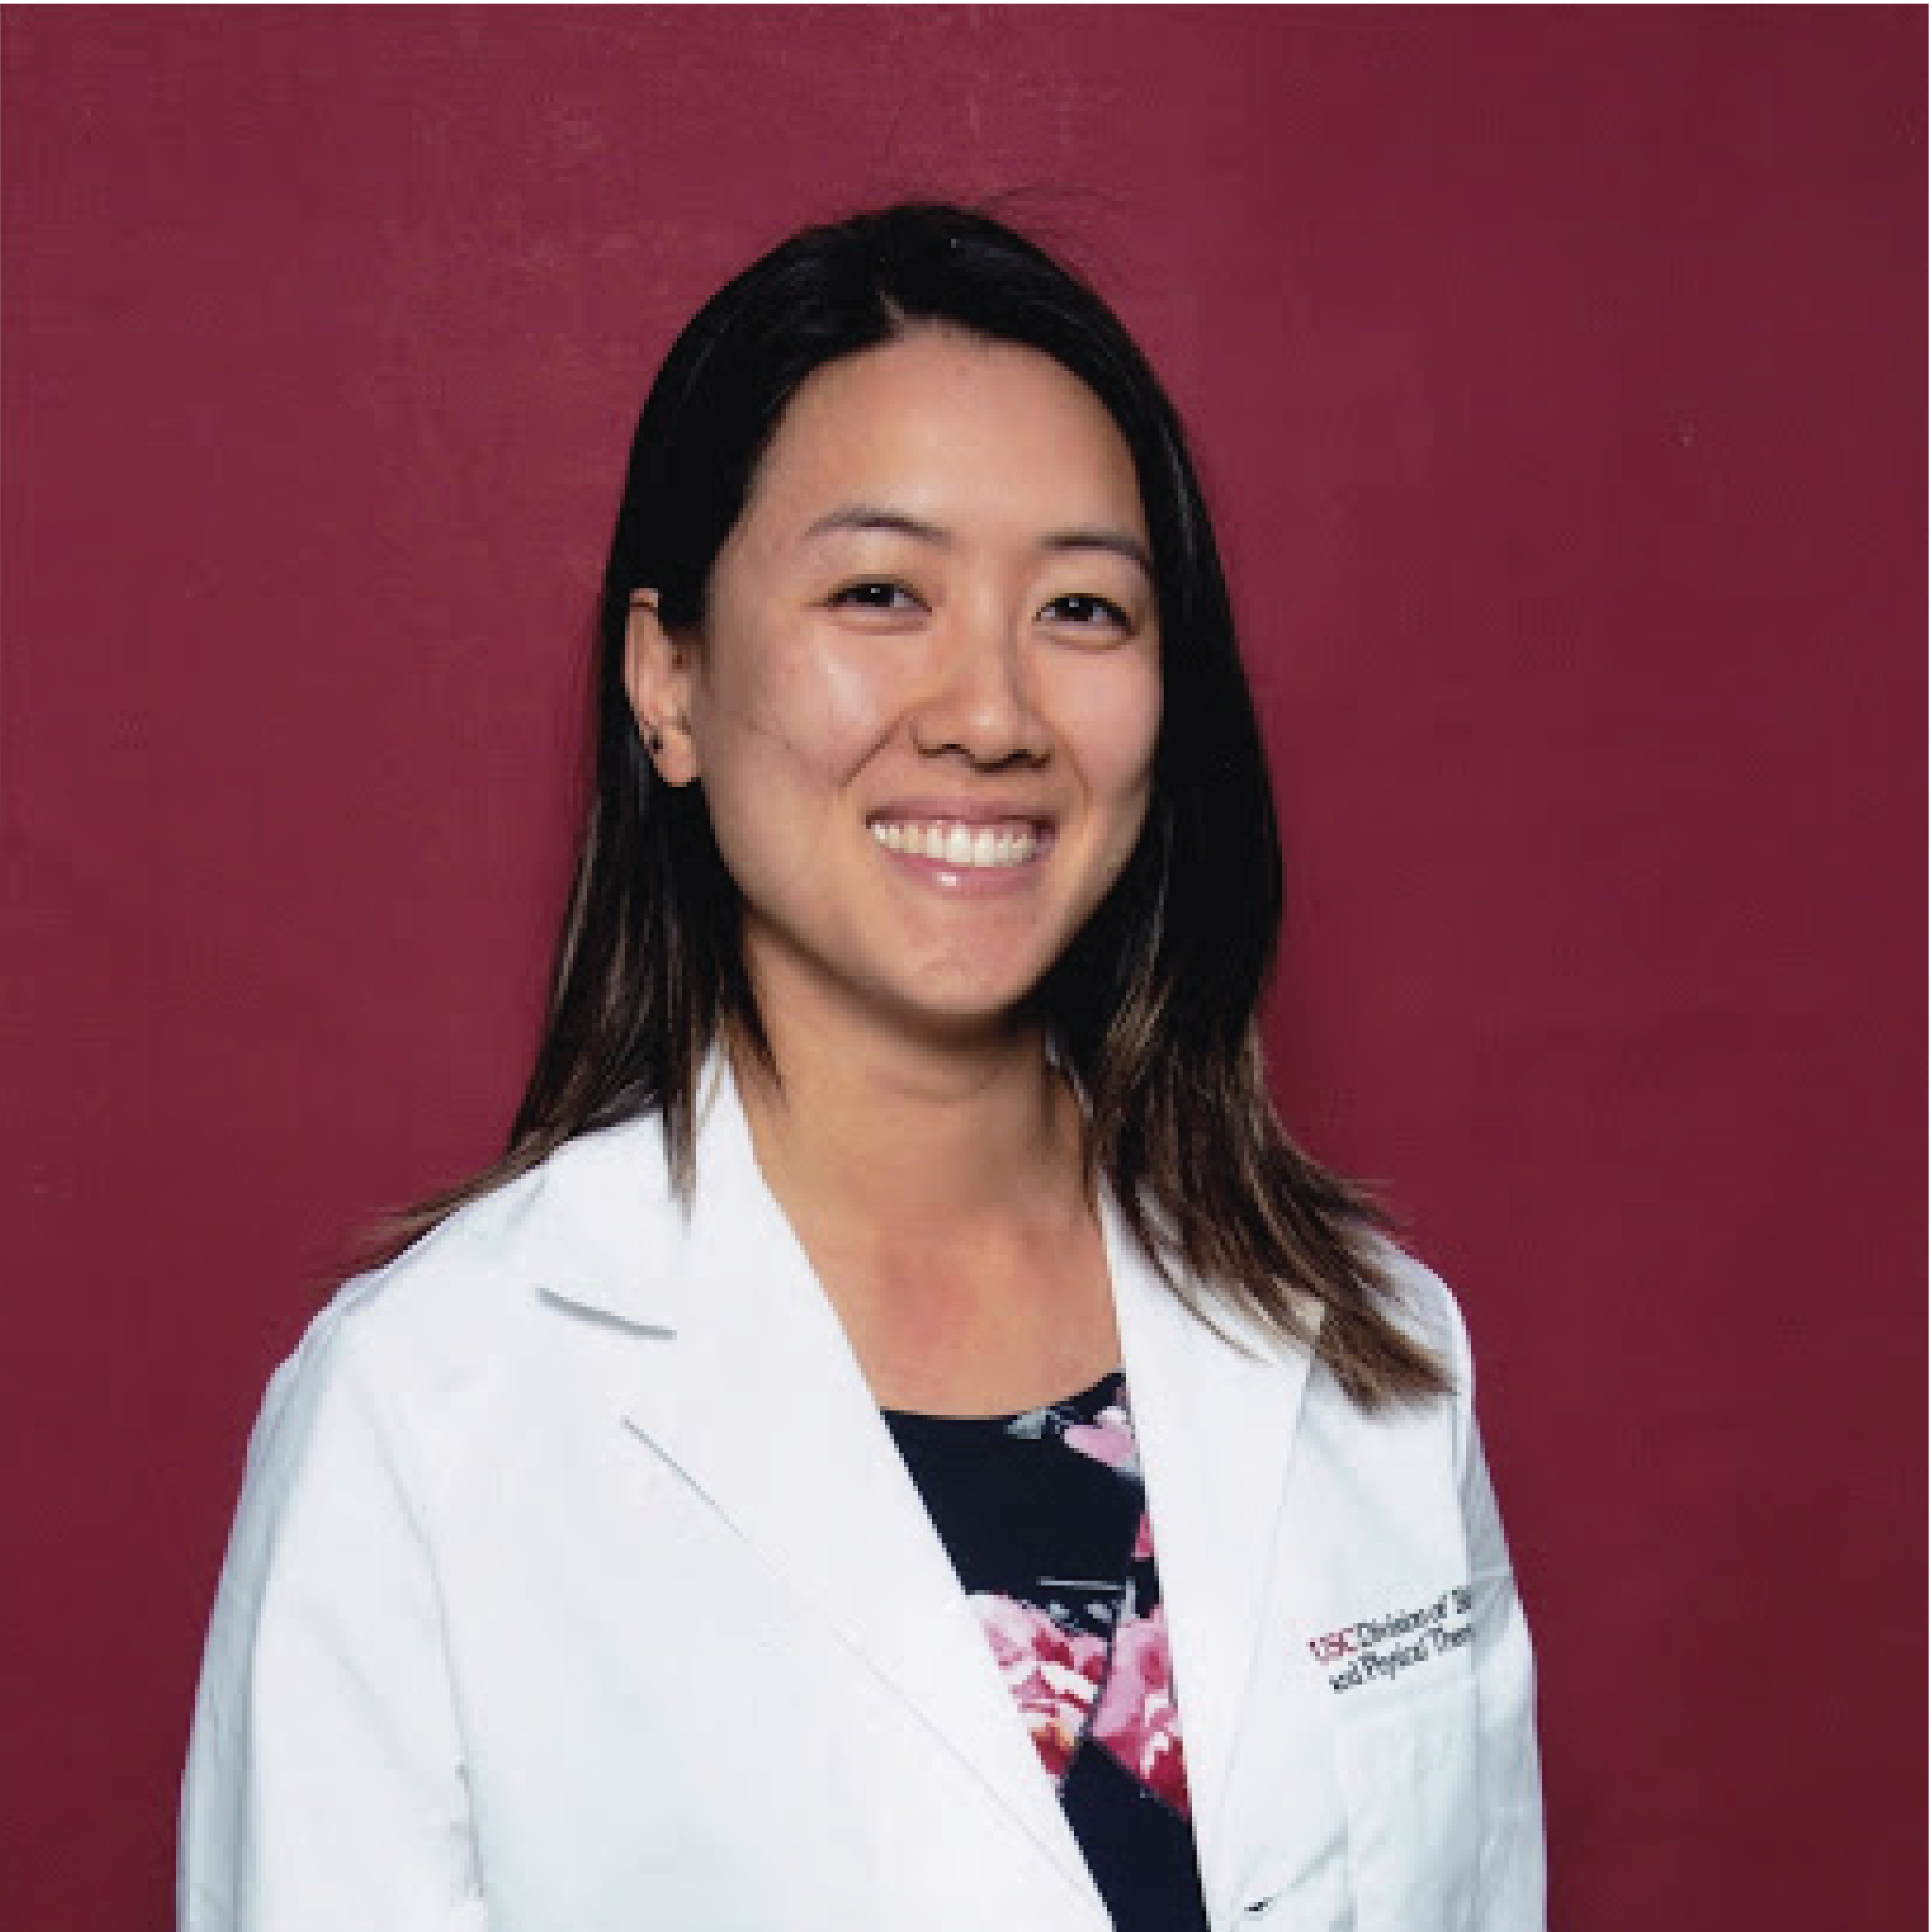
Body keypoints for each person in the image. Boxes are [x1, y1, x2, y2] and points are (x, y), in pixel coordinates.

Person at [179, 203, 1544, 1932]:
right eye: (880, 592)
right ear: (667, 682)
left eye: (1084, 608)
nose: (991, 710)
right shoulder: (423, 1427)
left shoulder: (1378, 1354)